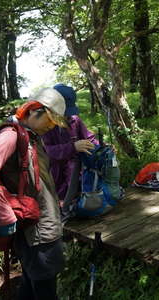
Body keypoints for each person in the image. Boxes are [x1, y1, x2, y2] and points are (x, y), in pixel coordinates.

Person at [0, 88, 67, 299]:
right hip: (37, 234)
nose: (51, 127)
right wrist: (5, 216)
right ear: (34, 110)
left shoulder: (30, 136)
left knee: (31, 285)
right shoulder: (11, 135)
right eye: (50, 121)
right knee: (44, 290)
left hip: (42, 228)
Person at [42, 84, 99, 219]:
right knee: (59, 209)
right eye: (64, 112)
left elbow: (88, 137)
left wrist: (101, 147)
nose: (67, 116)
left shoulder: (75, 120)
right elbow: (45, 151)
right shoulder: (44, 125)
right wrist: (72, 147)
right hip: (55, 177)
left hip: (77, 175)